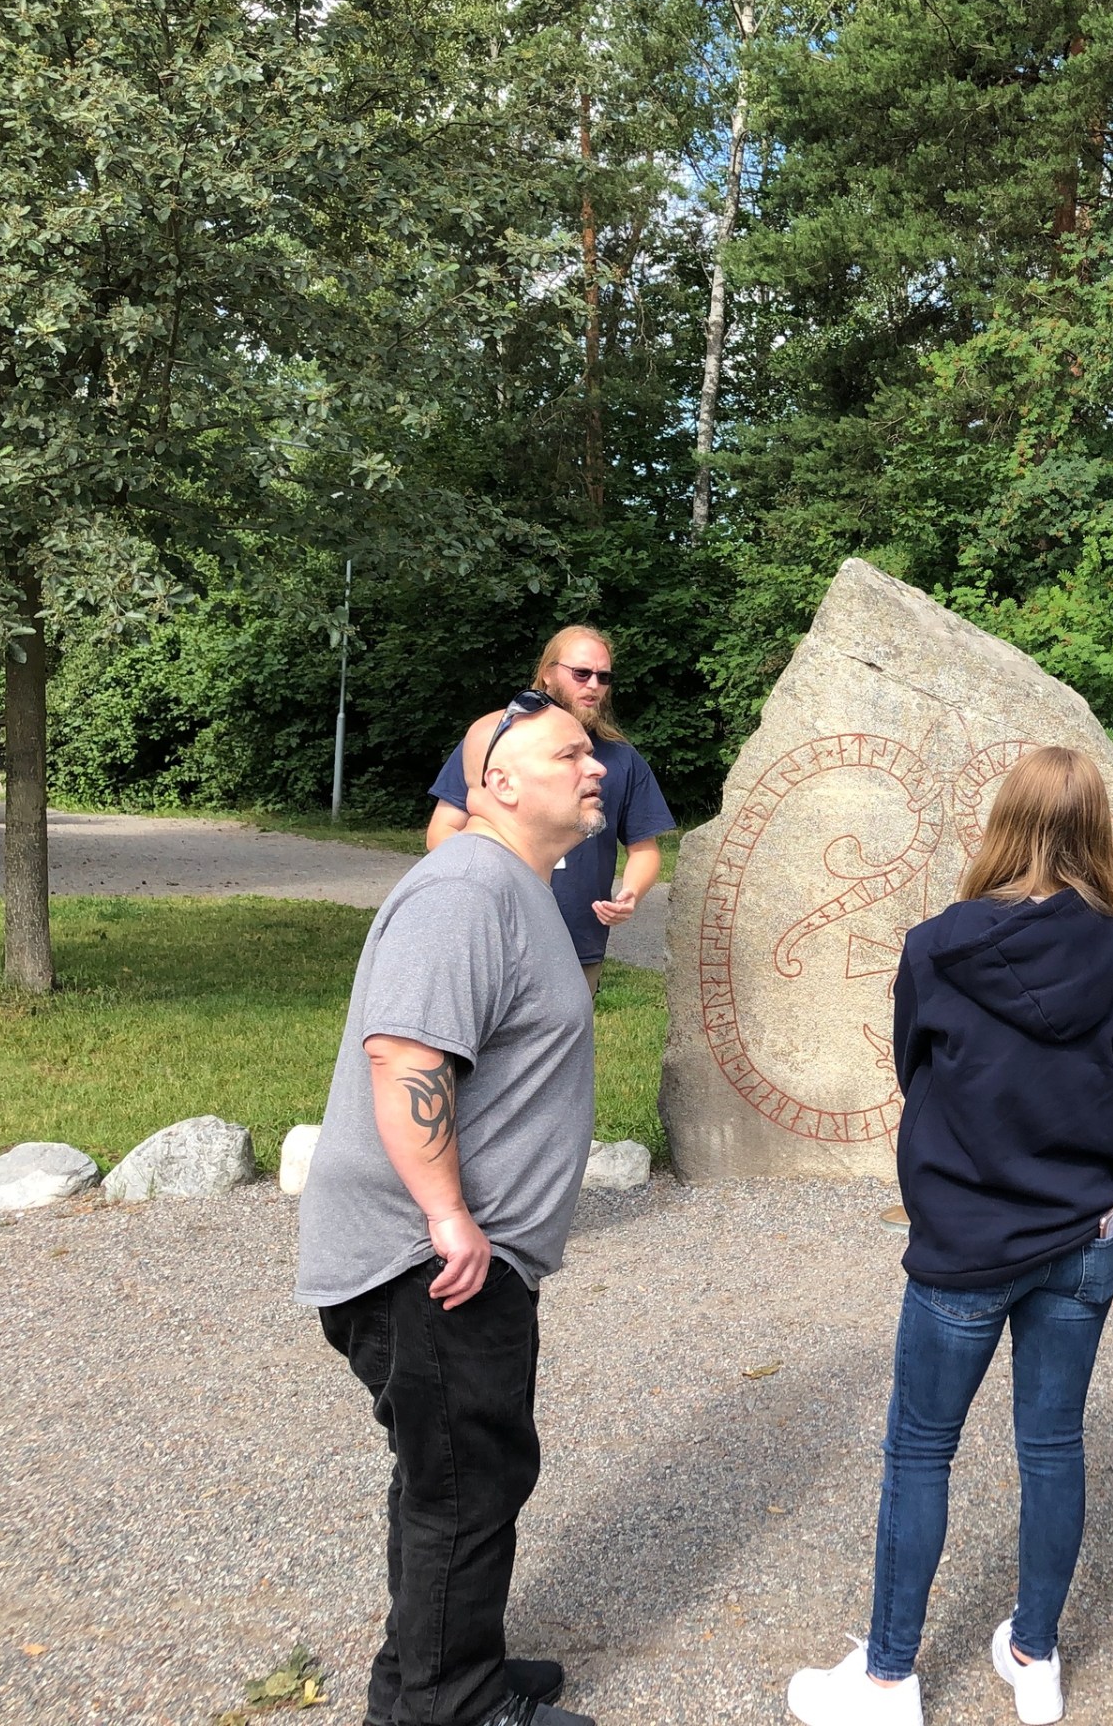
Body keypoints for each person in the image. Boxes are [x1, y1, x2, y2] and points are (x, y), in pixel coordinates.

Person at [787, 747, 1113, 1726]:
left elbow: (919, 1066)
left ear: (1002, 823)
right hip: (1084, 1228)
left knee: (921, 1451)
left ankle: (888, 1680)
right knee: (1052, 1445)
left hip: (968, 1232)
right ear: (1097, 835)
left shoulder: (936, 948)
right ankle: (1034, 1657)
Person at [298, 692, 609, 1726]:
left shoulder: (514, 889)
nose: (593, 765)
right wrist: (447, 1215)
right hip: (424, 1261)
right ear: (500, 783)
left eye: (592, 751)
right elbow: (406, 1053)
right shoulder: (467, 890)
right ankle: (442, 1706)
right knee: (463, 1484)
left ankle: (446, 1663)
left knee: (459, 1472)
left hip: (456, 1256)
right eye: (568, 751)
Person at [427, 626, 672, 992]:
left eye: (604, 677)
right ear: (547, 672)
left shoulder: (620, 759)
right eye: (581, 673)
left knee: (565, 1046)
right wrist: (497, 882)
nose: (593, 685)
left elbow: (644, 849)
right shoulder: (498, 741)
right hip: (493, 931)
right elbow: (440, 833)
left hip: (577, 941)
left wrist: (631, 894)